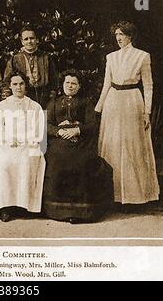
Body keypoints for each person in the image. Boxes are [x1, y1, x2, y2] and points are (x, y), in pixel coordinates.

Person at [94, 21, 159, 207]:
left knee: (132, 145)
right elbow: (107, 84)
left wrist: (147, 111)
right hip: (113, 102)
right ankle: (112, 196)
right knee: (113, 144)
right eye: (116, 35)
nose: (119, 38)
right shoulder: (111, 57)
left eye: (122, 34)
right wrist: (98, 108)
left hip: (132, 101)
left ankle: (134, 196)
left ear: (130, 35)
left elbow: (148, 85)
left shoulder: (142, 56)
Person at [43, 70, 113, 223]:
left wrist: (77, 130)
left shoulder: (85, 102)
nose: (70, 86)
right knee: (57, 159)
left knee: (81, 161)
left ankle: (80, 211)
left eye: (74, 83)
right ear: (62, 85)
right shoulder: (54, 102)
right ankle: (58, 211)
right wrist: (59, 132)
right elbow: (47, 125)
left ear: (79, 86)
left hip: (80, 141)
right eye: (67, 83)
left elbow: (92, 125)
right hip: (59, 141)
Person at [0, 72, 46, 222]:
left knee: (27, 161)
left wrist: (23, 141)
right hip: (6, 145)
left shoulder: (34, 106)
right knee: (4, 163)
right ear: (10, 86)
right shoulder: (1, 106)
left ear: (26, 85)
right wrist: (10, 141)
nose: (18, 87)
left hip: (28, 144)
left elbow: (37, 131)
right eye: (15, 84)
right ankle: (5, 208)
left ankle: (24, 206)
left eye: (21, 83)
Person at [3, 25, 59, 107]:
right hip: (23, 97)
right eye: (26, 39)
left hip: (43, 97)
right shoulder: (15, 59)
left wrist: (52, 96)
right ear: (22, 42)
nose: (29, 41)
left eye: (32, 38)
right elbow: (7, 80)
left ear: (36, 40)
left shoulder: (46, 58)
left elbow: (54, 79)